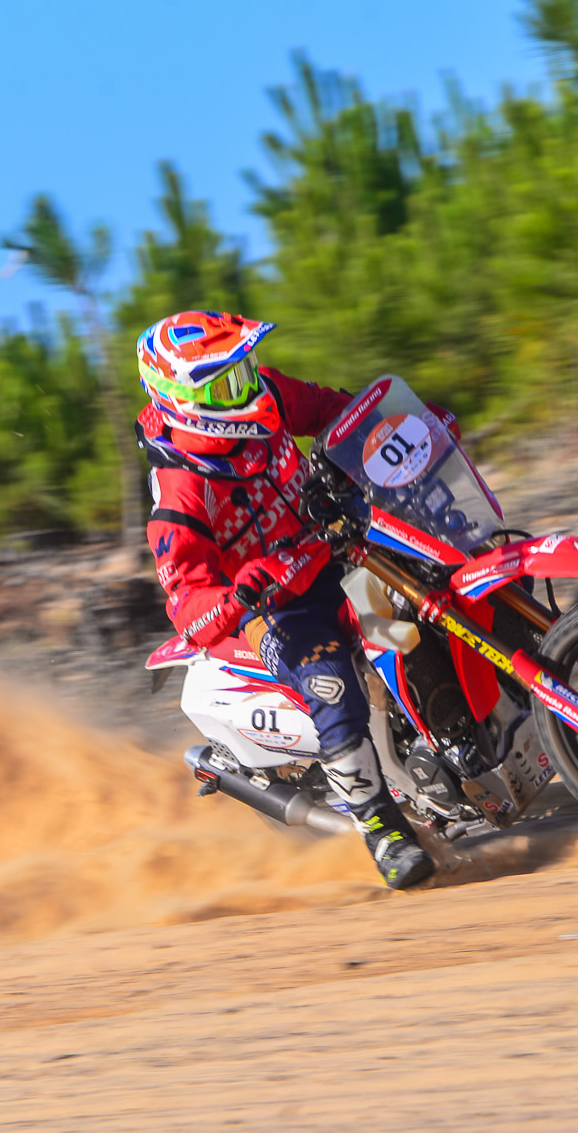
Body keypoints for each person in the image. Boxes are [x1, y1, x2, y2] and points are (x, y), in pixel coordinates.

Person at [135, 310, 446, 890]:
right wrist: (244, 591)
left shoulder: (268, 394)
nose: (247, 385)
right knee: (332, 685)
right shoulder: (179, 491)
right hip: (273, 602)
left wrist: (398, 428)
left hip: (337, 542)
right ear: (180, 398)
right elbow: (187, 603)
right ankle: (383, 830)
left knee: (443, 577)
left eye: (246, 367)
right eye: (226, 382)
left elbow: (335, 410)